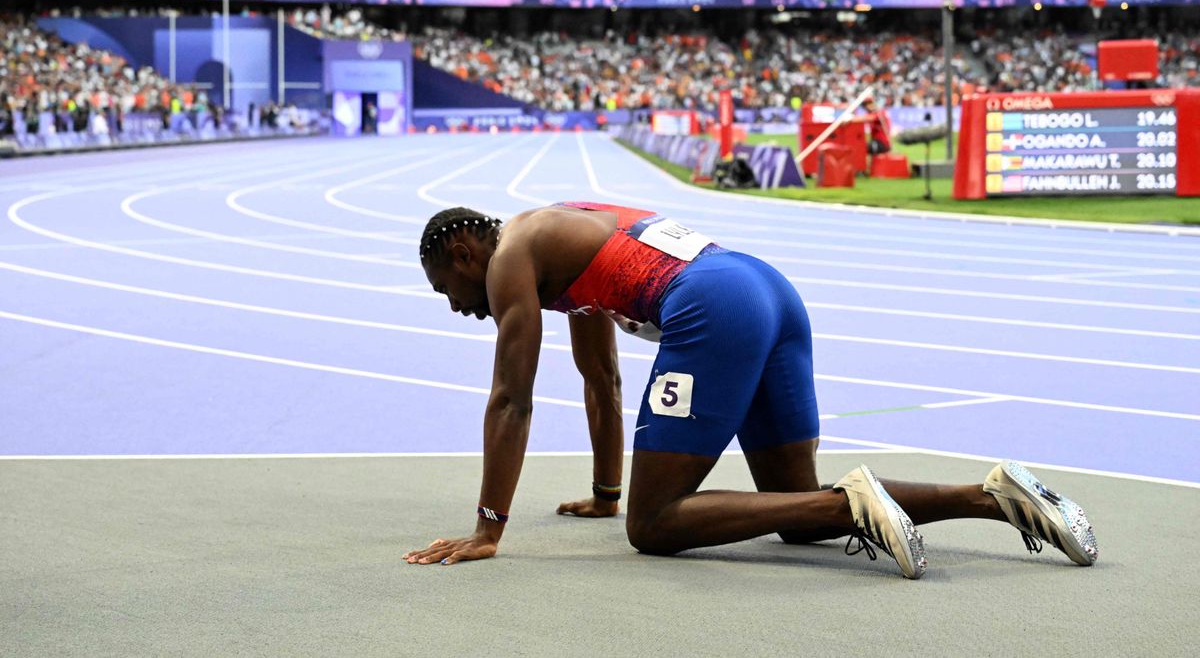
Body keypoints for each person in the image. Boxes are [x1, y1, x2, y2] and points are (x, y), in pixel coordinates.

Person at [404, 202, 1098, 577]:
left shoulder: (510, 257)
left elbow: (511, 399)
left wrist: (487, 526)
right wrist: (606, 495)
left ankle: (855, 500)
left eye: (446, 288)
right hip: (766, 289)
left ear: (465, 254)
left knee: (654, 525)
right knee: (799, 507)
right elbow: (601, 379)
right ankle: (994, 495)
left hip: (714, 303)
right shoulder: (557, 241)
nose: (456, 303)